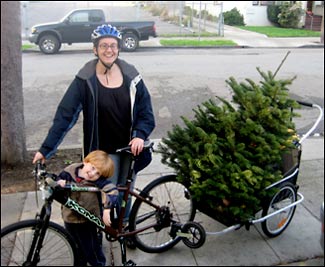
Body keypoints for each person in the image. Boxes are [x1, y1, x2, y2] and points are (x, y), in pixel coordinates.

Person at [32, 24, 156, 221]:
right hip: (101, 151)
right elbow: (65, 115)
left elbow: (146, 112)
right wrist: (46, 149)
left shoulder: (131, 77)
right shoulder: (85, 79)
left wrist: (140, 135)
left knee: (125, 192)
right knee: (103, 192)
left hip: (129, 149)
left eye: (113, 45)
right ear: (95, 49)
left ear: (119, 48)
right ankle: (101, 229)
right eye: (104, 46)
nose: (109, 50)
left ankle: (125, 228)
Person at [56, 150, 117, 266]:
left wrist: (107, 209)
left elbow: (112, 191)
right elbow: (58, 178)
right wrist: (59, 182)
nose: (93, 174)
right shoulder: (70, 171)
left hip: (87, 220)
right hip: (69, 217)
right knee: (75, 245)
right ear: (86, 161)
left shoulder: (98, 181)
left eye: (98, 173)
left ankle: (98, 263)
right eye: (93, 168)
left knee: (91, 248)